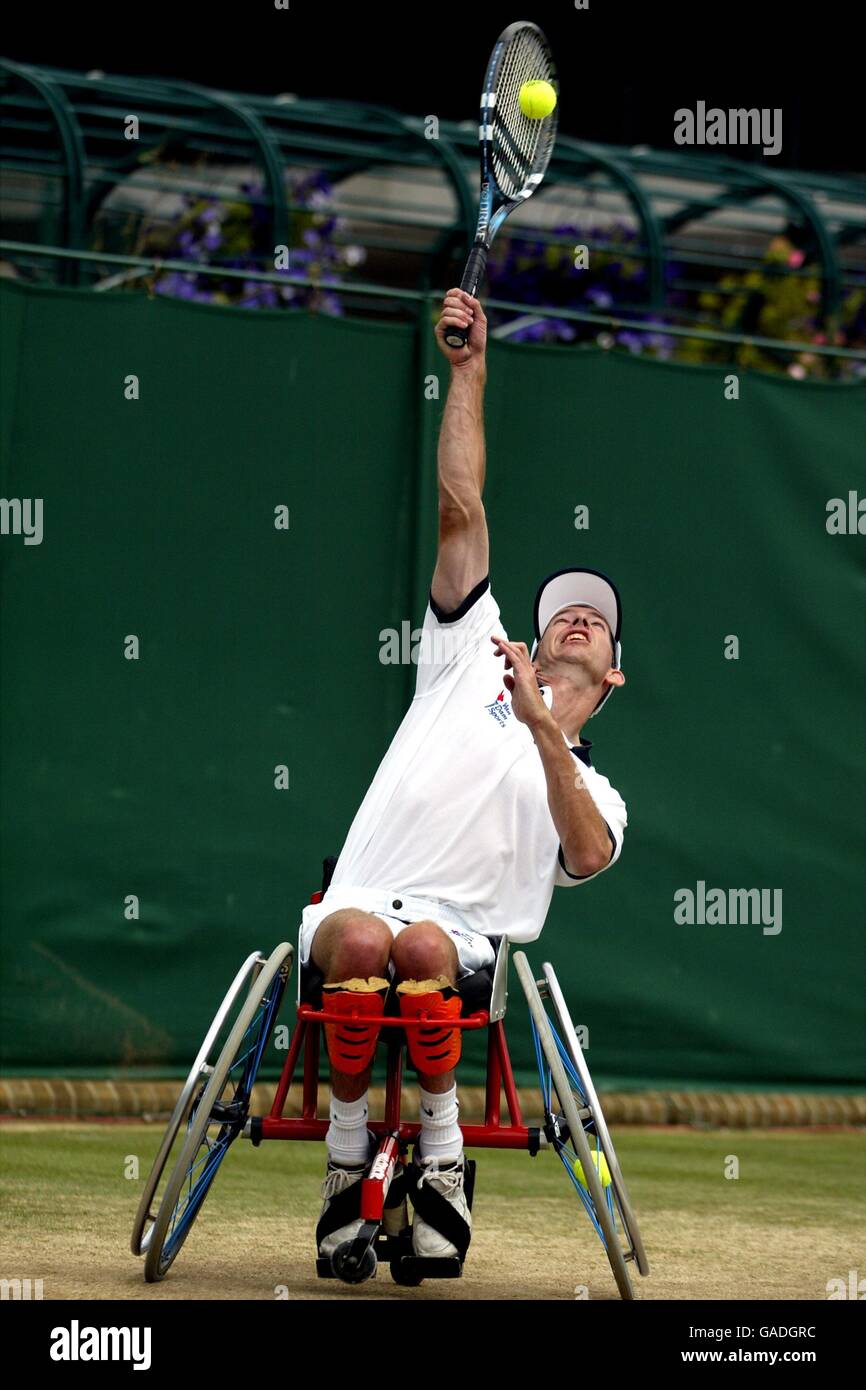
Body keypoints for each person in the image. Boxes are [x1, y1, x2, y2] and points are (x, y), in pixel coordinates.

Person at [301, 287, 628, 1265]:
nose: (574, 619)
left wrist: (540, 730)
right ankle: (345, 1155)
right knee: (361, 933)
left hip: (465, 944)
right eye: (562, 611)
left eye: (595, 620)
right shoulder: (469, 647)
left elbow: (583, 850)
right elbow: (459, 506)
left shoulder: (594, 789)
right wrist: (469, 370)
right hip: (363, 898)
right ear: (529, 633)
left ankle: (438, 1158)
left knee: (423, 948)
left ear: (611, 672)